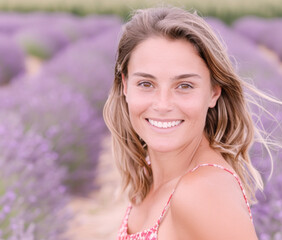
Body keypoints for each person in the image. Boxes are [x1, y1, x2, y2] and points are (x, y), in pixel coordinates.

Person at [103, 6, 262, 240]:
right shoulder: (151, 173)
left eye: (184, 86)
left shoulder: (202, 192)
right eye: (146, 84)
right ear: (125, 85)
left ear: (213, 92)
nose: (163, 104)